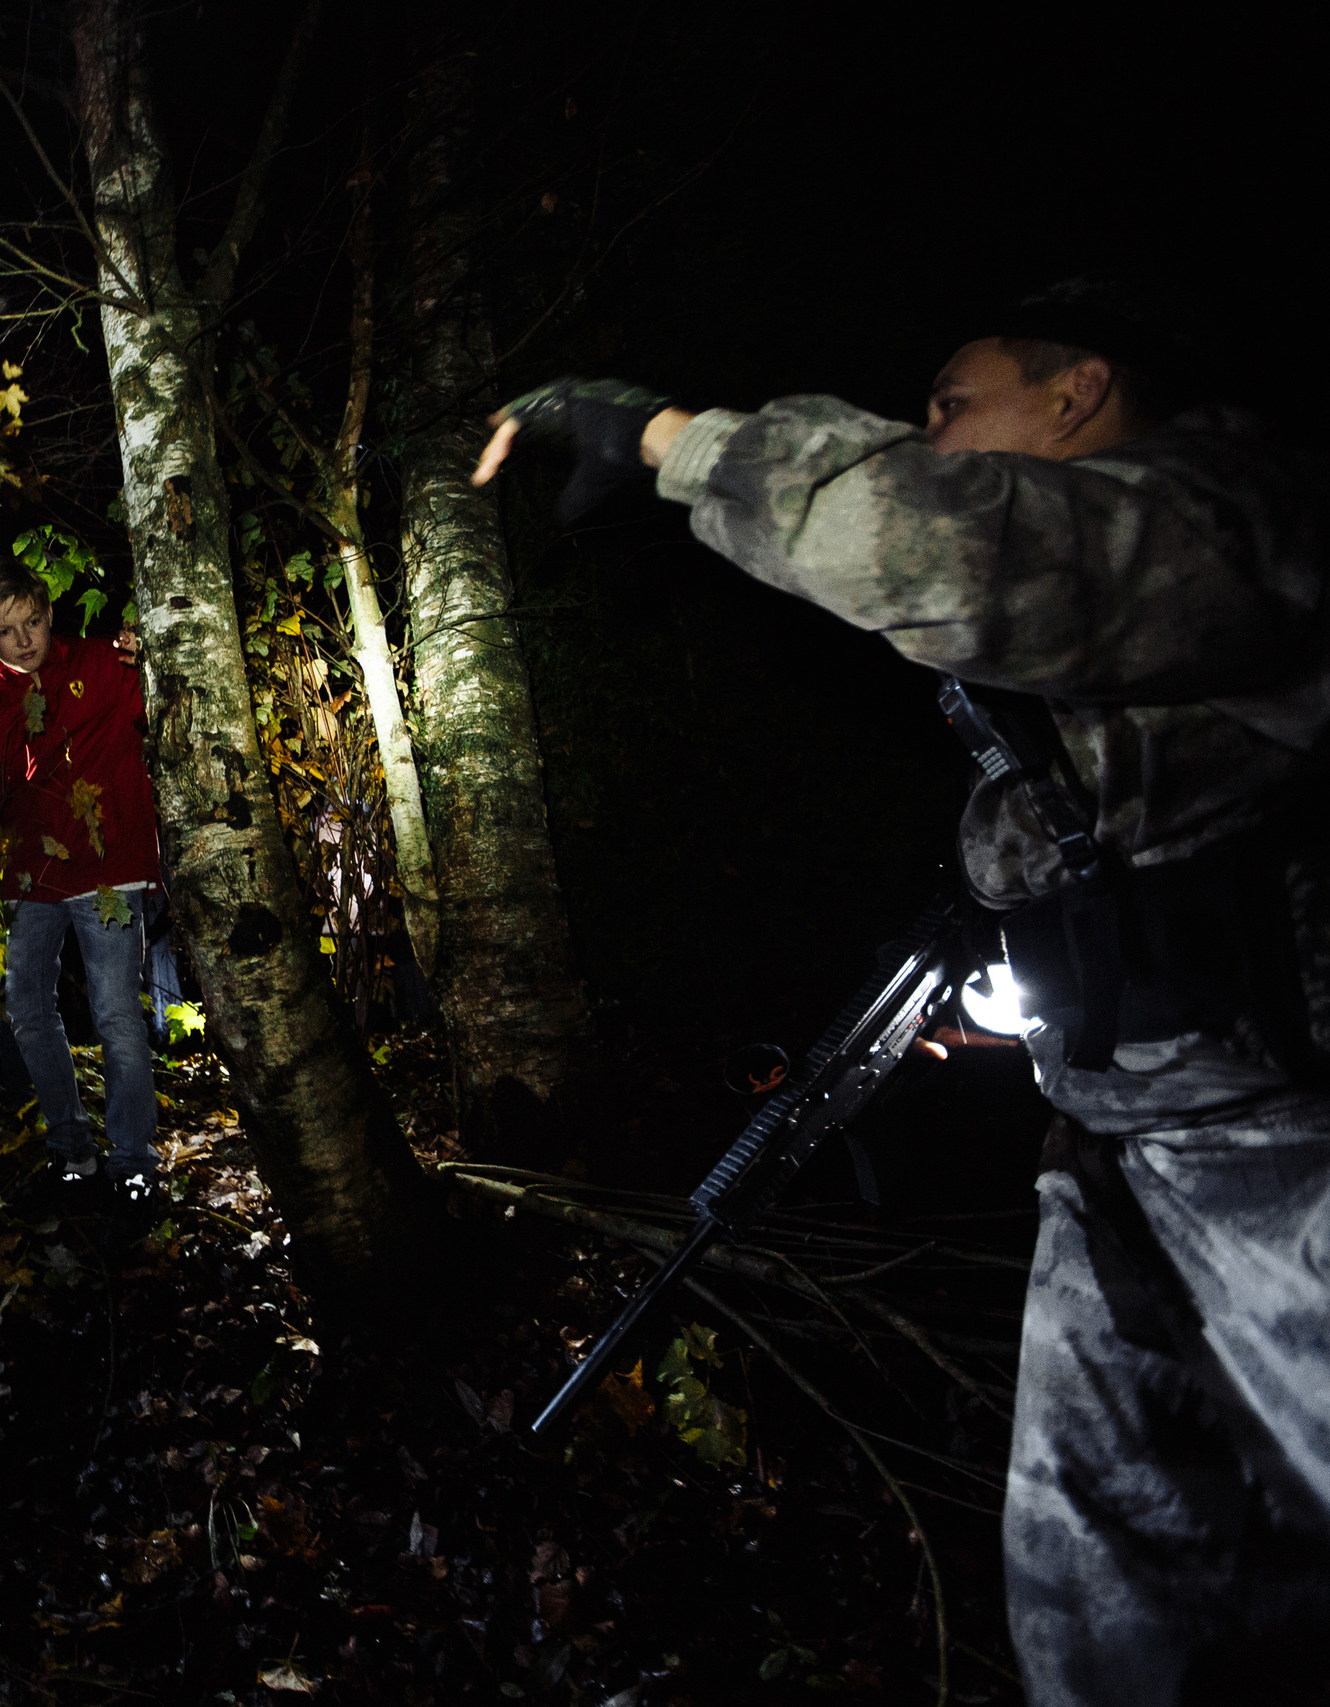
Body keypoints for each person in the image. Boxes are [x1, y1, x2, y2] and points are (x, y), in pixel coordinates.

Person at [475, 279, 1330, 1704]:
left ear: (1078, 390)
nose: (930, 436)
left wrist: (670, 440)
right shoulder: (1125, 610)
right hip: (1124, 1160)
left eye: (951, 405)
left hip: (1289, 1161)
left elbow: (950, 550)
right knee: (1105, 1601)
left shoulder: (1231, 514)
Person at [0, 562, 164, 1201]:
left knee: (116, 1015)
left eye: (32, 622)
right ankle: (71, 1154)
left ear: (49, 614)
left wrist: (153, 652)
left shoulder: (105, 664)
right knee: (26, 1010)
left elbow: (165, 701)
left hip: (107, 864)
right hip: (31, 872)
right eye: (7, 631)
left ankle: (134, 1164)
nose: (25, 640)